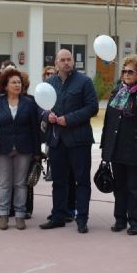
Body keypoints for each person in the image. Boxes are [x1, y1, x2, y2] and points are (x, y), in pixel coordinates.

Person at [39, 49, 98, 233]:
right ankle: (58, 216)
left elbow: (92, 108)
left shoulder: (84, 82)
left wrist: (69, 119)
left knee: (81, 181)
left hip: (79, 140)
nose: (66, 62)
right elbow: (41, 107)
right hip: (56, 141)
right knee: (58, 181)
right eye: (62, 60)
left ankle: (82, 219)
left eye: (69, 59)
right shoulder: (49, 83)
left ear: (73, 62)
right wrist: (47, 115)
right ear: (56, 63)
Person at [100, 55, 137, 236]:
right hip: (116, 146)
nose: (125, 74)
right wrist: (105, 147)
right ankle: (119, 219)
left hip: (136, 148)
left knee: (134, 187)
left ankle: (135, 221)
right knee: (119, 187)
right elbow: (109, 121)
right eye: (124, 71)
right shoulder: (117, 91)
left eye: (130, 71)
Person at [0, 68, 42, 230]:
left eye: (19, 82)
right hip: (1, 149)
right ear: (5, 85)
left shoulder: (29, 103)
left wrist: (37, 153)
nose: (17, 85)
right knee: (5, 183)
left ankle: (20, 215)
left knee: (20, 184)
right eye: (13, 82)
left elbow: (35, 130)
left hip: (24, 149)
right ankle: (3, 214)